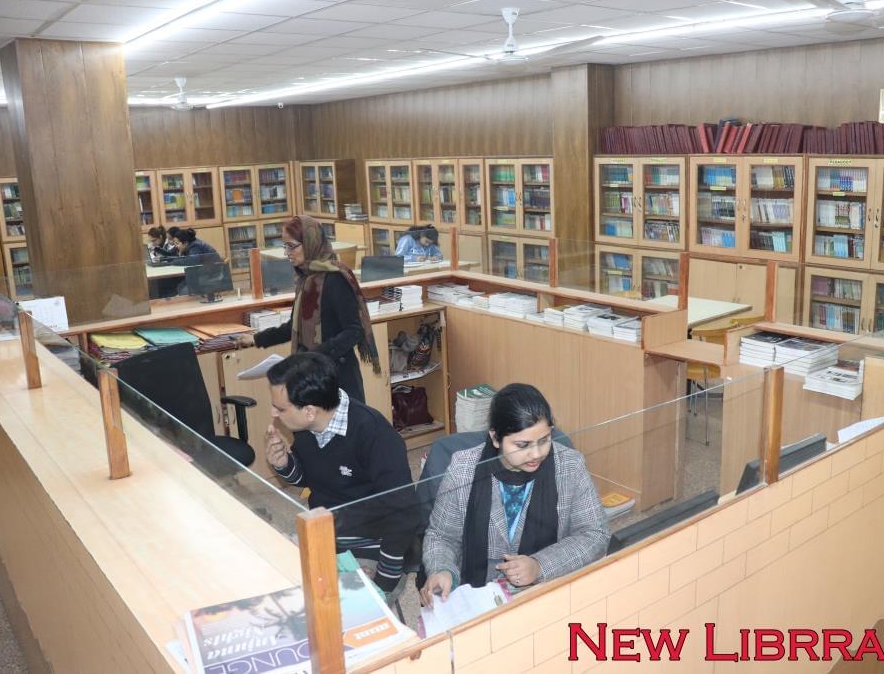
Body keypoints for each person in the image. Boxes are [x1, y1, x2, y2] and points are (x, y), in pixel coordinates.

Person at [421, 384, 608, 606]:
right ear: (496, 438)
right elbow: (441, 536)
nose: (537, 453)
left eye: (545, 440)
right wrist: (442, 570)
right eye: (522, 445)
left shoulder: (569, 465)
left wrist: (540, 565)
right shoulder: (464, 469)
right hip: (476, 594)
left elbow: (595, 534)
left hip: (545, 589)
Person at [265, 352, 419, 596]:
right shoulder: (307, 426)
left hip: (372, 547)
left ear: (309, 411)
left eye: (280, 408)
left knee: (334, 611)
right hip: (325, 535)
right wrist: (285, 463)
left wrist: (382, 582)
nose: (274, 413)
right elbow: (307, 478)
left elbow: (403, 513)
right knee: (270, 582)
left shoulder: (375, 435)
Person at [237, 215, 381, 404]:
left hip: (338, 378)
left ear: (310, 242)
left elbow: (354, 331)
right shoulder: (307, 278)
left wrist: (315, 356)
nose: (287, 252)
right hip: (311, 376)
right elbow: (293, 327)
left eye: (291, 246)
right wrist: (256, 339)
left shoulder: (335, 278)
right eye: (285, 246)